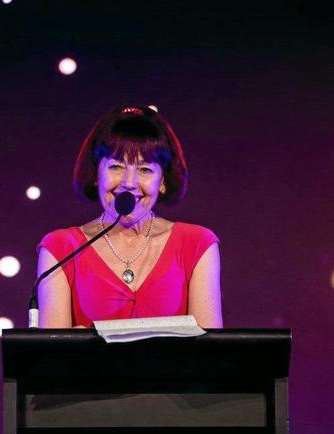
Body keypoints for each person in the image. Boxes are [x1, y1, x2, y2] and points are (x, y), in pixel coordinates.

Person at [37, 105, 222, 328]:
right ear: (97, 174)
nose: (128, 183)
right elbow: (52, 357)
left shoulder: (197, 244)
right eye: (116, 166)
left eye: (145, 170)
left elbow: (210, 355)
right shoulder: (61, 248)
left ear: (163, 181)